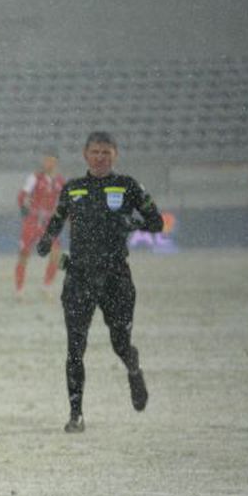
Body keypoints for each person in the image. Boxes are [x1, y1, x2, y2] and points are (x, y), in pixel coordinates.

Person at [37, 131, 163, 433]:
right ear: (85, 155)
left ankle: (132, 365)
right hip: (79, 277)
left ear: (115, 155)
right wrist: (45, 241)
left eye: (106, 152)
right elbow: (56, 220)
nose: (100, 157)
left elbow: (156, 222)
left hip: (116, 278)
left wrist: (133, 222)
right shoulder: (73, 189)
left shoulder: (128, 186)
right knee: (75, 348)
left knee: (119, 343)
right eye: (95, 152)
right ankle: (76, 414)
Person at [15, 152, 65, 300]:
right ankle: (19, 289)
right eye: (46, 160)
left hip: (49, 223)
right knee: (24, 254)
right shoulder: (34, 178)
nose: (48, 163)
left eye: (51, 160)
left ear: (56, 162)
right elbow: (22, 196)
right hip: (33, 220)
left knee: (56, 254)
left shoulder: (60, 181)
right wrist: (25, 210)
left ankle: (46, 286)